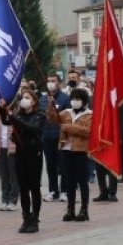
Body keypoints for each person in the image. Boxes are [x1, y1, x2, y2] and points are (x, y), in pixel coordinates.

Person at [3, 89, 44, 233]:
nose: (24, 100)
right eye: (23, 97)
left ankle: (35, 218)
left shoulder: (39, 115)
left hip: (34, 154)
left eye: (27, 97)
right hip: (20, 155)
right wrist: (2, 107)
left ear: (34, 101)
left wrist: (15, 120)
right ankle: (26, 216)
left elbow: (33, 129)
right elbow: (5, 120)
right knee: (23, 187)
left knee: (34, 187)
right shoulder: (18, 114)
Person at [56, 87, 92, 222]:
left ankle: (84, 209)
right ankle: (70, 208)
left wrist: (71, 128)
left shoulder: (89, 114)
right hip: (66, 149)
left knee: (82, 181)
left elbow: (88, 131)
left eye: (78, 99)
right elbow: (53, 118)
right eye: (73, 98)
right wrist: (51, 105)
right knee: (69, 181)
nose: (75, 101)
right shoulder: (66, 112)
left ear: (83, 101)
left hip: (80, 151)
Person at [39, 74, 71, 202]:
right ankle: (53, 190)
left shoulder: (65, 98)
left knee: (63, 165)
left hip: (60, 136)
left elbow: (67, 117)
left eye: (53, 81)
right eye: (49, 81)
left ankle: (64, 190)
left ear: (59, 83)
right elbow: (41, 116)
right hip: (46, 136)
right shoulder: (43, 99)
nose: (51, 83)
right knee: (50, 165)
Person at [0, 103, 18, 212]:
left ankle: (13, 200)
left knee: (13, 176)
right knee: (4, 176)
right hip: (0, 149)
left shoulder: (15, 115)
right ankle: (4, 199)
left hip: (12, 149)